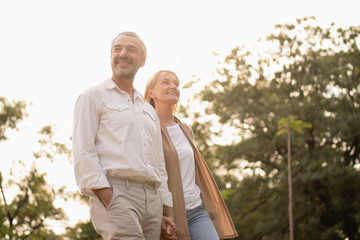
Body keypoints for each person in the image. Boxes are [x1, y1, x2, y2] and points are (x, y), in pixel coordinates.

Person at [72, 32, 175, 240]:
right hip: (118, 193)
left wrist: (165, 209)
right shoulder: (92, 97)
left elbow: (159, 164)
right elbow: (83, 152)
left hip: (153, 201)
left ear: (143, 60)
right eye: (117, 49)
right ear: (110, 56)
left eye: (131, 50)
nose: (123, 54)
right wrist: (108, 197)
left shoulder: (148, 110)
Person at [144, 70, 238, 240]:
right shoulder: (146, 128)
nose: (173, 86)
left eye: (176, 84)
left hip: (197, 210)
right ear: (151, 93)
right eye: (166, 82)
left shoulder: (184, 128)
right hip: (166, 214)